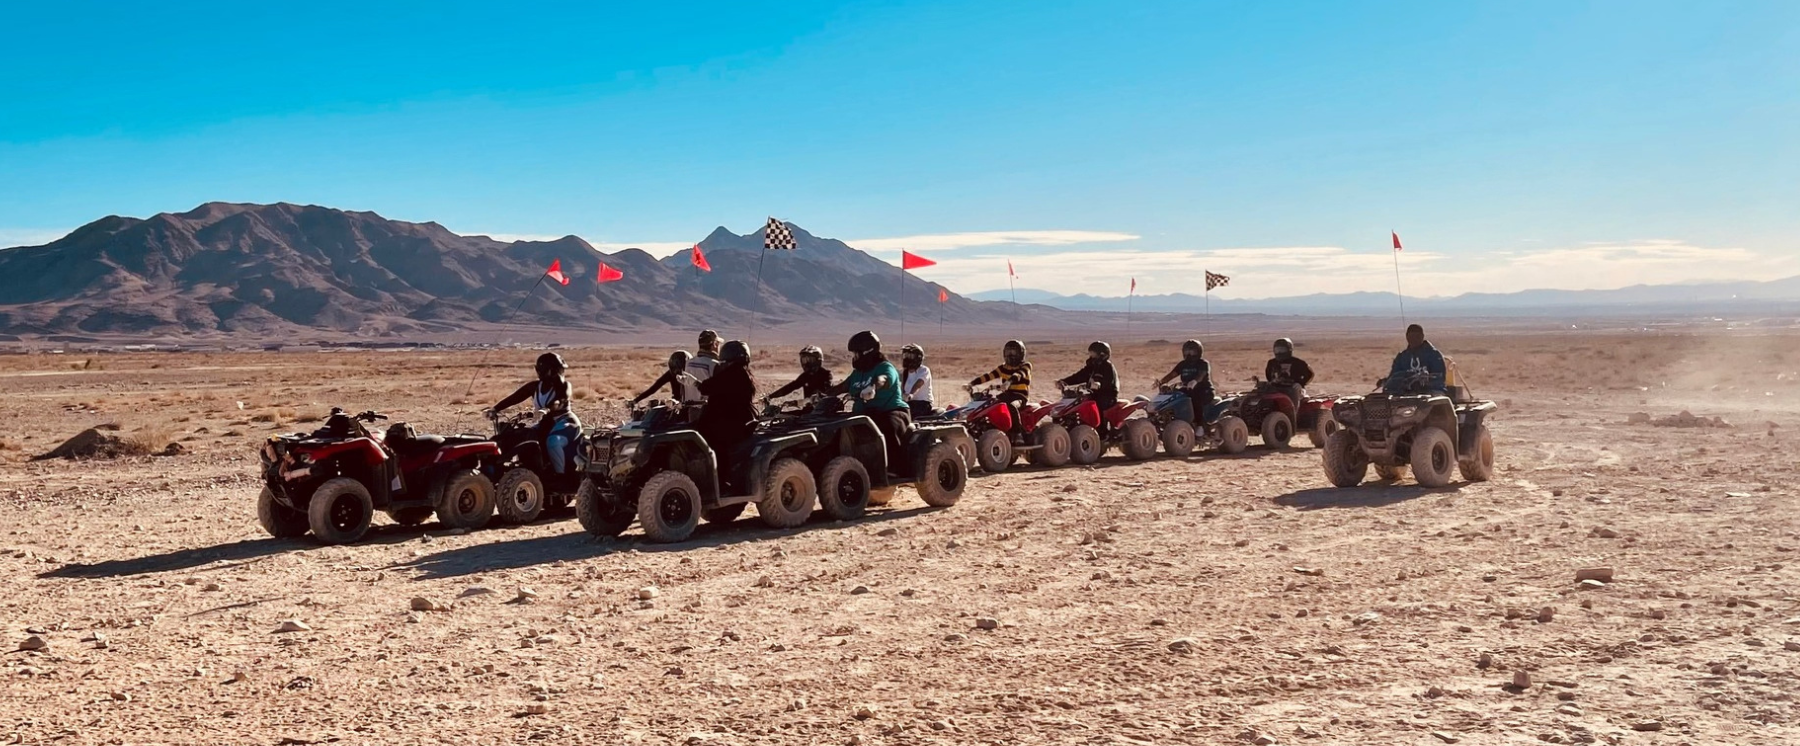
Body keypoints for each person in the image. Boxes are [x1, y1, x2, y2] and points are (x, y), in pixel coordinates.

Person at [487, 352, 581, 475]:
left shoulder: (564, 386)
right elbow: (515, 398)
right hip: (545, 423)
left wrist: (546, 409)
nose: (557, 374)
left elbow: (560, 399)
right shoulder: (534, 387)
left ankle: (560, 476)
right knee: (524, 436)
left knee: (553, 441)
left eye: (558, 370)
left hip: (565, 422)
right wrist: (495, 409)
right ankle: (533, 469)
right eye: (555, 370)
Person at [836, 330, 911, 470]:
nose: (855, 357)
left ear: (867, 352)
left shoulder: (885, 367)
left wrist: (873, 388)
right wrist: (822, 395)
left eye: (856, 354)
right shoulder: (858, 373)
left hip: (891, 411)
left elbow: (884, 379)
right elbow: (842, 387)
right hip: (866, 414)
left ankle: (897, 468)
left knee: (887, 427)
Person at [694, 340, 758, 487]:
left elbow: (707, 387)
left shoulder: (732, 374)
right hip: (735, 418)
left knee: (715, 442)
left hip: (735, 422)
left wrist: (697, 384)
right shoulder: (742, 374)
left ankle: (722, 481)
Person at [1056, 341, 1121, 431]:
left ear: (1101, 354)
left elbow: (1108, 381)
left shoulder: (1107, 367)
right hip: (1094, 394)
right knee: (1078, 402)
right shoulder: (1092, 366)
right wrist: (1065, 381)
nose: (1091, 356)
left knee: (1098, 405)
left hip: (1107, 396)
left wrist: (1099, 385)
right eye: (1090, 354)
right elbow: (1079, 376)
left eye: (1093, 354)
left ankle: (1102, 432)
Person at [967, 340, 1033, 427]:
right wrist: (972, 384)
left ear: (1020, 353)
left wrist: (1008, 382)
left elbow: (1019, 375)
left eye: (1013, 352)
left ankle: (1017, 432)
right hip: (1006, 395)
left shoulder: (1026, 366)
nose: (1010, 355)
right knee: (989, 405)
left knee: (1011, 406)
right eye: (1008, 352)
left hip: (1020, 397)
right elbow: (988, 376)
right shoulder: (1003, 367)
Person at [1154, 339, 1215, 424]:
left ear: (1199, 352)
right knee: (1174, 396)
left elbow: (1202, 374)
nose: (1189, 354)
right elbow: (1172, 375)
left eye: (1192, 351)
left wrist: (1194, 381)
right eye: (1187, 351)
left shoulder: (1203, 363)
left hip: (1204, 391)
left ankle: (1200, 425)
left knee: (1195, 400)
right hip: (1188, 389)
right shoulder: (1183, 364)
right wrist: (1161, 382)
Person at [1385, 324, 1447, 395]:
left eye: (1417, 336)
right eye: (1411, 337)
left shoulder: (1433, 355)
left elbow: (1439, 377)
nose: (1414, 339)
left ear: (1422, 337)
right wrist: (1386, 381)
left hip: (1432, 391)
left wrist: (1424, 381)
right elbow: (1394, 375)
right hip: (1406, 391)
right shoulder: (1402, 357)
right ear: (1407, 337)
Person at [632, 350, 702, 406]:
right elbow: (654, 388)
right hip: (676, 405)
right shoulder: (670, 374)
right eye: (675, 369)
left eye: (680, 369)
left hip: (692, 405)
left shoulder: (694, 375)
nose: (677, 373)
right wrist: (635, 400)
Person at [767, 345, 832, 401]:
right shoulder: (805, 376)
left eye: (810, 359)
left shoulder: (826, 375)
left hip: (822, 411)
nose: (806, 363)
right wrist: (770, 396)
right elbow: (790, 387)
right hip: (809, 411)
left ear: (818, 360)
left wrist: (801, 402)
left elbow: (826, 393)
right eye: (804, 360)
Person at [1264, 337, 1315, 407]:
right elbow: (1268, 375)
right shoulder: (1272, 363)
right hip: (1276, 387)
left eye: (1282, 350)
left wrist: (1300, 383)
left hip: (1294, 388)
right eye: (1277, 350)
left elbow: (1310, 374)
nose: (1279, 352)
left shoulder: (1298, 363)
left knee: (1293, 394)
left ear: (1289, 349)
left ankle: (1294, 414)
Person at [900, 344, 935, 418]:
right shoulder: (905, 373)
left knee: (910, 414)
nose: (907, 358)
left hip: (923, 404)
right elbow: (902, 388)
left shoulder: (924, 370)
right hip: (909, 403)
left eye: (910, 356)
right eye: (905, 355)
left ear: (918, 357)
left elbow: (919, 384)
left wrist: (911, 394)